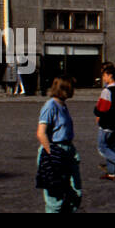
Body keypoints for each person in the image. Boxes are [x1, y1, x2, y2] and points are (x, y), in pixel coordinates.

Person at [36, 76, 81, 212]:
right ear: (65, 88)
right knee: (55, 199)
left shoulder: (63, 105)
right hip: (55, 150)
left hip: (68, 150)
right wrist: (51, 154)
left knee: (75, 192)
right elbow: (41, 132)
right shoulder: (50, 106)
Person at [93, 63, 115, 180]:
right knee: (112, 147)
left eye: (104, 75)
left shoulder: (107, 91)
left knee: (102, 147)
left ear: (109, 75)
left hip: (106, 123)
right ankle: (112, 172)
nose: (103, 78)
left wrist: (97, 113)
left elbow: (101, 108)